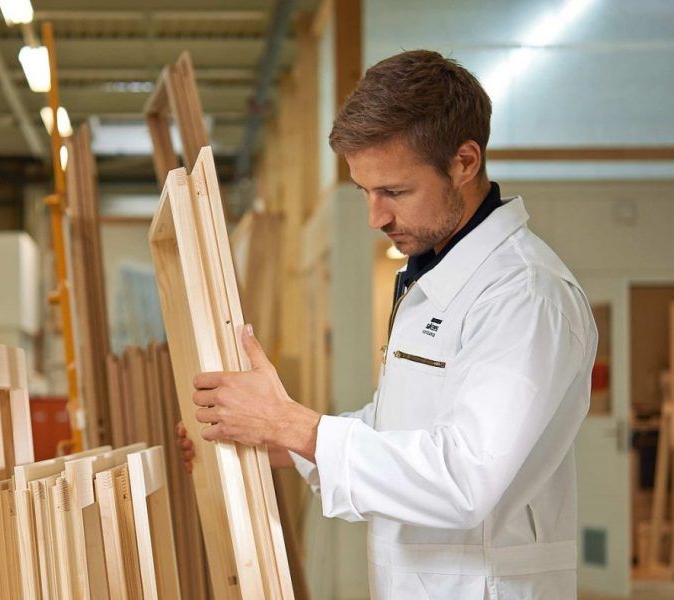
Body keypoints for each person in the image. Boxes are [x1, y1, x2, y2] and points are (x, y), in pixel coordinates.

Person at [177, 50, 597, 599]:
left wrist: (294, 426)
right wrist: (274, 441)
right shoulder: (438, 277)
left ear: (464, 162)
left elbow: (462, 479)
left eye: (394, 192)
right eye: (364, 192)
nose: (376, 217)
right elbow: (398, 426)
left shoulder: (525, 293)